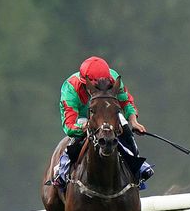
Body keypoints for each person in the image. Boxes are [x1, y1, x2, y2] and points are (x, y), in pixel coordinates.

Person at [51, 56, 153, 191]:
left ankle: (138, 167)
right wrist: (86, 127)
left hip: (108, 112)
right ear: (85, 84)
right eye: (95, 87)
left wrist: (133, 121)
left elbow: (125, 101)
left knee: (125, 129)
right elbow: (69, 126)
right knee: (76, 139)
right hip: (83, 118)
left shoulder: (113, 78)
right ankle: (62, 171)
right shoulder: (70, 88)